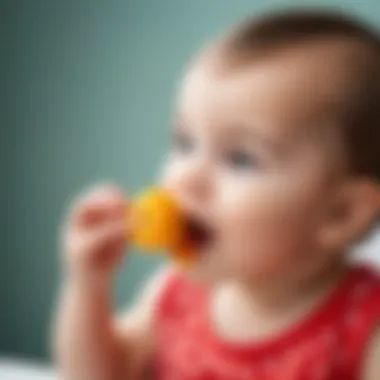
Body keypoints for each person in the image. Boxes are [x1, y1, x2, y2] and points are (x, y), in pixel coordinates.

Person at [53, 8, 380, 379]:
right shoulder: (174, 293)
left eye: (240, 159)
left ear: (340, 213)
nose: (187, 178)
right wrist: (88, 284)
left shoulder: (365, 328)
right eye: (184, 142)